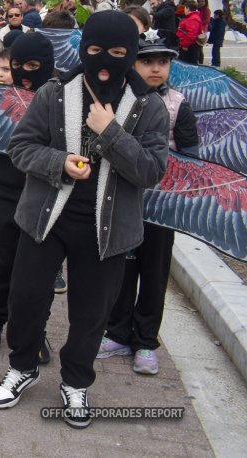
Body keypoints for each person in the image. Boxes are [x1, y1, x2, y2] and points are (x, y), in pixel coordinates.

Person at [0, 11, 168, 429]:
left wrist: (111, 132)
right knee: (27, 299)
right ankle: (23, 366)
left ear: (131, 54)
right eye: (93, 52)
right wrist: (60, 162)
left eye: (119, 54)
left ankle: (75, 380)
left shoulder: (148, 106)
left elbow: (151, 172)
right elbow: (21, 147)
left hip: (108, 228)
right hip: (45, 218)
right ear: (82, 49)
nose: (104, 63)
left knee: (91, 312)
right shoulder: (55, 94)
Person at [98, 29, 198, 376]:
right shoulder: (119, 99)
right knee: (122, 268)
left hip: (162, 205)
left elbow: (190, 155)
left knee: (154, 273)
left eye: (163, 62)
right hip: (125, 199)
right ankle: (117, 330)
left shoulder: (178, 105)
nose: (156, 68)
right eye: (147, 61)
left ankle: (145, 340)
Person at [0, 33, 56, 361]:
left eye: (33, 66)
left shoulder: (61, 98)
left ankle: (35, 331)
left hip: (45, 194)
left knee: (39, 273)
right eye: (16, 66)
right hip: (4, 193)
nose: (23, 73)